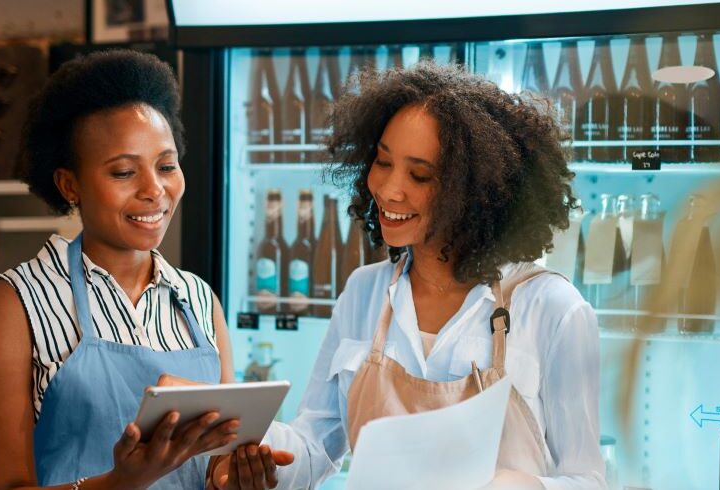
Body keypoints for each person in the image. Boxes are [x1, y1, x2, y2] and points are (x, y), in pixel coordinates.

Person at [216, 63, 605, 489]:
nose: (388, 189)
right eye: (383, 162)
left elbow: (588, 479)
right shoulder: (365, 292)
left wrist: (522, 485)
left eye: (419, 175)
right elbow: (313, 448)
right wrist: (247, 440)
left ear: (474, 191)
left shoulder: (552, 309)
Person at [0, 49, 265, 490]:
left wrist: (233, 476)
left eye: (166, 166)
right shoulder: (15, 306)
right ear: (70, 184)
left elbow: (215, 461)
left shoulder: (199, 301)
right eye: (123, 172)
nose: (154, 190)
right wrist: (120, 482)